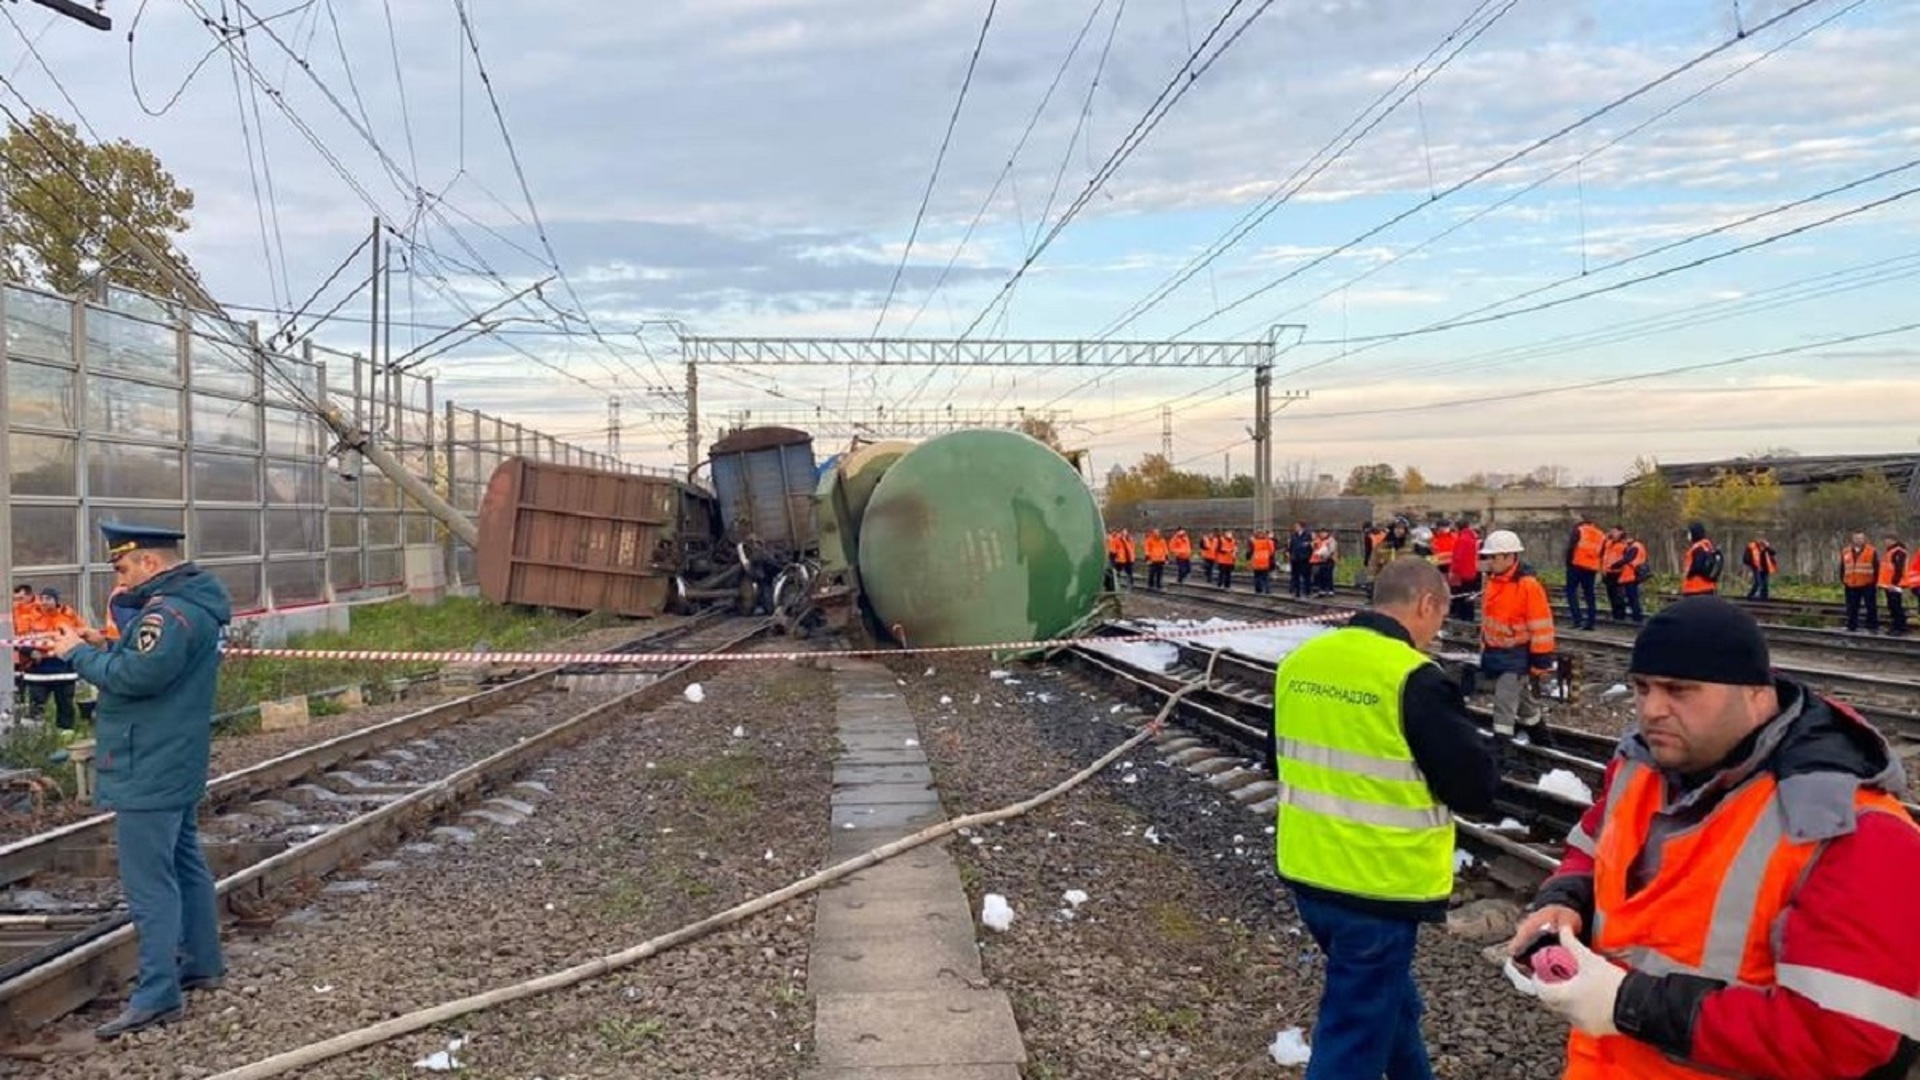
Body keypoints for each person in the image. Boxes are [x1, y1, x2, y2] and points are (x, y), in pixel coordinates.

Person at [1506, 597, 1920, 1079]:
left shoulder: (1854, 831)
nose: (1652, 709)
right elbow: (1594, 847)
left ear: (1755, 693)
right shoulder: (1639, 768)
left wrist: (1627, 1004)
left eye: (1679, 690)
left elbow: (1841, 1038)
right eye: (1642, 687)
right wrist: (1565, 898)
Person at [1271, 557, 1499, 1080]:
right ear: (1426, 604)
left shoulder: (1302, 661)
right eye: (1439, 616)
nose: (1437, 630)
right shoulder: (1414, 677)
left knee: (1390, 1003)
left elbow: (1278, 757)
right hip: (1378, 885)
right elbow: (1474, 789)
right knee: (1353, 1035)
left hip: (1310, 873)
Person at [46, 522, 233, 1039]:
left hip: (147, 758)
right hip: (177, 754)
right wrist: (103, 640)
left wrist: (77, 655)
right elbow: (151, 659)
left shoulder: (166, 613)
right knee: (185, 863)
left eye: (124, 567)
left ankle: (156, 995)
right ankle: (202, 963)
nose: (121, 581)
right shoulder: (193, 604)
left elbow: (136, 676)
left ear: (150, 562)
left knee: (150, 883)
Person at [1479, 529, 1557, 748]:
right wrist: (1485, 647)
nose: (1489, 561)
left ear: (1510, 556)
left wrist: (1541, 660)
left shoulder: (1528, 586)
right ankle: (1545, 744)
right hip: (1498, 653)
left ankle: (1500, 749)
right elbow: (1488, 620)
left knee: (1504, 703)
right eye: (1488, 557)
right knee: (1525, 706)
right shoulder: (1494, 582)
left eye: (1493, 557)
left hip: (1517, 654)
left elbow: (1541, 625)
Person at [19, 588, 85, 733]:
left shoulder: (68, 615)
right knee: (36, 704)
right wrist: (31, 652)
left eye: (48, 598)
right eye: (42, 598)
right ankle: (35, 734)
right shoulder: (29, 617)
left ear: (56, 601)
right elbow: (20, 639)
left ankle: (66, 731)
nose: (44, 602)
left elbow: (81, 633)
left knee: (65, 702)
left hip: (63, 668)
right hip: (38, 669)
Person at [1565, 515, 1605, 631]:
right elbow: (1602, 552)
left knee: (1571, 591)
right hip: (1591, 568)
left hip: (1576, 565)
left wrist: (1568, 563)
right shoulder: (1601, 534)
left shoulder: (1579, 530)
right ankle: (1591, 622)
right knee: (1589, 594)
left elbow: (1571, 547)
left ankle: (1577, 620)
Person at [1841, 531, 1879, 633]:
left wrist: (1875, 582)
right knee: (1851, 607)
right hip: (1851, 583)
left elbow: (1876, 567)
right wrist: (1843, 580)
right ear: (1852, 539)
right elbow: (1843, 567)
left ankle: (1872, 626)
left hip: (1867, 583)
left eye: (1860, 538)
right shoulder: (1846, 551)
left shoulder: (1871, 550)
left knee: (1870, 606)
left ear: (1864, 539)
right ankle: (1851, 626)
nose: (1858, 540)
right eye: (1856, 538)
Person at [1448, 519, 1480, 621]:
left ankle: (1462, 617)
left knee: (1460, 596)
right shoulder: (1473, 538)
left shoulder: (1461, 539)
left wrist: (1453, 571)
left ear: (1458, 527)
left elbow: (1458, 557)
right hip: (1472, 572)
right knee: (1469, 596)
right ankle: (1469, 617)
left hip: (1461, 573)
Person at [1680, 522, 1721, 596]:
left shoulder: (1698, 548)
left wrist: (1690, 573)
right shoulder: (1707, 546)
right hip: (1708, 587)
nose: (1688, 535)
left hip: (1695, 588)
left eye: (1689, 532)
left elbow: (1697, 566)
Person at [1881, 533, 1909, 636]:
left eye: (1887, 540)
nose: (1885, 542)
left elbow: (1898, 569)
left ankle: (1899, 627)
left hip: (1895, 584)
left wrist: (1894, 583)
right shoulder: (1891, 551)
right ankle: (1898, 626)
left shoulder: (1898, 552)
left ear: (1893, 540)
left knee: (1895, 606)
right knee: (1892, 606)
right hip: (1890, 584)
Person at [1742, 536, 1778, 600]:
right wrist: (1751, 564)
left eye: (1762, 538)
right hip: (1756, 567)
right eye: (1759, 538)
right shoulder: (1752, 546)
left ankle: (1764, 597)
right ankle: (1751, 595)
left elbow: (1773, 552)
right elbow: (1746, 558)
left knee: (1765, 583)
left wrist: (1767, 547)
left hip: (1765, 568)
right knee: (1758, 583)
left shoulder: (1766, 547)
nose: (1760, 540)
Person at [1288, 522, 1314, 599]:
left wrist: (1308, 555)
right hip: (1295, 559)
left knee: (1306, 576)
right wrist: (1290, 554)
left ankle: (1307, 591)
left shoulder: (1308, 535)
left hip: (1305, 559)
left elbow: (1311, 546)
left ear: (1301, 527)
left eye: (1297, 526)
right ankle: (1297, 592)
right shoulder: (1293, 536)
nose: (1295, 528)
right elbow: (1291, 547)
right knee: (1295, 576)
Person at [1249, 530, 1277, 595]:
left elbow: (1250, 552)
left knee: (1257, 576)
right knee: (1266, 577)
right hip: (1265, 561)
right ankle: (1267, 590)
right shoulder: (1268, 541)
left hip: (1256, 561)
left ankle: (1258, 590)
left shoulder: (1254, 542)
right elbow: (1272, 551)